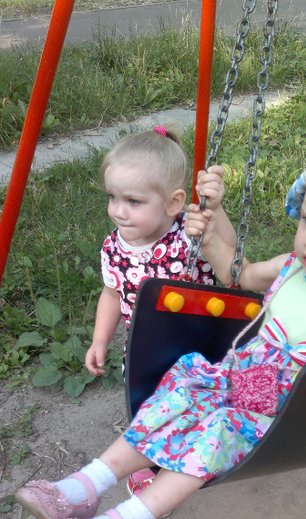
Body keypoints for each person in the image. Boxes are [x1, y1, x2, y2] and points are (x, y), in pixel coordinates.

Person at [15, 147, 306, 519]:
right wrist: (212, 238)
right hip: (234, 377)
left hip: (281, 410)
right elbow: (240, 276)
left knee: (214, 432)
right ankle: (87, 485)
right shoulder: (289, 267)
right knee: (178, 394)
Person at [85, 122, 235, 495]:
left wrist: (216, 211)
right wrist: (100, 340)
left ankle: (197, 453)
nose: (119, 211)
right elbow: (111, 294)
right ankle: (150, 463)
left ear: (173, 202)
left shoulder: (191, 232)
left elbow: (231, 259)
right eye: (113, 197)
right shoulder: (113, 247)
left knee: (200, 403)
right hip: (146, 348)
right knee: (146, 404)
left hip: (198, 346)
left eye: (133, 202)